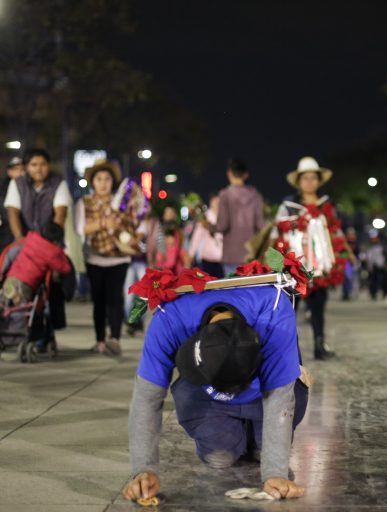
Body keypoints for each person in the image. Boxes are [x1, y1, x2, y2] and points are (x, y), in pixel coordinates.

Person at [122, 285, 308, 504]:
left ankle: (257, 439)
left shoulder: (274, 312)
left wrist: (275, 473)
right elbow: (147, 397)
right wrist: (143, 469)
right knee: (220, 456)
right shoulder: (171, 318)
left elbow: (280, 397)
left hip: (262, 395)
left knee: (263, 452)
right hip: (205, 397)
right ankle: (239, 434)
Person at [273, 156, 349, 360]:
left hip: (320, 268)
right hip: (295, 267)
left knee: (318, 307)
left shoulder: (327, 205)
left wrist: (339, 259)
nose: (309, 182)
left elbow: (335, 233)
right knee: (290, 310)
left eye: (313, 178)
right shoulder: (288, 207)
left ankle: (319, 345)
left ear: (318, 181)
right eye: (305, 178)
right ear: (299, 181)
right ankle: (289, 351)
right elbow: (276, 233)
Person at [75, 160, 136, 356]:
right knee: (98, 300)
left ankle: (115, 339)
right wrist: (104, 222)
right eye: (99, 179)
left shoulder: (122, 201)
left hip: (119, 258)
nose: (103, 183)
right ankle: (100, 340)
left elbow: (133, 225)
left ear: (113, 182)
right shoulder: (84, 203)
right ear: (93, 181)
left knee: (115, 299)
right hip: (94, 258)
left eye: (107, 179)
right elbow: (80, 228)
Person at [210, 159, 264, 276]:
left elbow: (222, 225)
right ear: (246, 174)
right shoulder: (256, 195)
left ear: (229, 173)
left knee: (233, 292)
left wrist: (210, 227)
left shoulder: (225, 194)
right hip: (251, 254)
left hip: (231, 254)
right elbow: (261, 226)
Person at [4, 148, 71, 240]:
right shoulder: (17, 183)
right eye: (34, 165)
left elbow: (60, 214)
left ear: (49, 165)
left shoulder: (59, 183)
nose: (39, 169)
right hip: (23, 242)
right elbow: (13, 213)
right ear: (26, 167)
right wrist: (20, 238)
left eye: (43, 164)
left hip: (50, 242)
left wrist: (50, 240)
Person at [2, 222, 71, 306]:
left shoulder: (31, 238)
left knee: (5, 306)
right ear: (56, 241)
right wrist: (61, 253)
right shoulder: (51, 251)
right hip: (26, 284)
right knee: (19, 310)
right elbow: (64, 268)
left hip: (11, 278)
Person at [188, 193, 224, 278]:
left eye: (218, 200)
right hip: (208, 258)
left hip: (221, 259)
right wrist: (191, 254)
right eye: (214, 200)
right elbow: (197, 236)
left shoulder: (223, 217)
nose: (216, 203)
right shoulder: (205, 217)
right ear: (211, 202)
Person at [0, 157, 25, 251]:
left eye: (23, 169)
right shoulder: (3, 189)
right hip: (6, 234)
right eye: (16, 169)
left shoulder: (29, 187)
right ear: (9, 172)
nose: (21, 173)